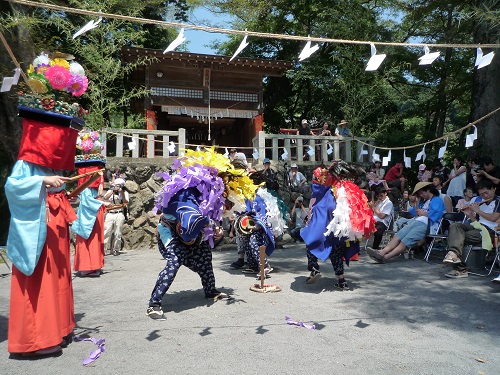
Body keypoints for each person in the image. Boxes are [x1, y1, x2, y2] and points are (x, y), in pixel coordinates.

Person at [5, 107, 81, 356]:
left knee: (58, 280)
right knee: (41, 282)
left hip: (53, 230)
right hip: (37, 230)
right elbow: (12, 187)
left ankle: (59, 328)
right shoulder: (26, 162)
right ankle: (37, 340)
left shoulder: (48, 165)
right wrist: (41, 182)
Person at [367, 182, 445, 263]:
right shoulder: (423, 201)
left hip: (426, 224)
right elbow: (414, 213)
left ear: (428, 190)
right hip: (416, 221)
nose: (421, 195)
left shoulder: (437, 200)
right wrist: (418, 202)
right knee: (398, 235)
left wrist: (424, 213)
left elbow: (437, 215)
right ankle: (382, 252)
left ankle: (385, 257)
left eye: (422, 192)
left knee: (405, 241)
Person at [442, 179, 500, 278]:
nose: (485, 196)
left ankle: (460, 268)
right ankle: (453, 254)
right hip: (477, 227)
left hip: (489, 232)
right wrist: (470, 214)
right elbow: (476, 222)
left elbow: (493, 218)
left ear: (493, 190)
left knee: (457, 237)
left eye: (486, 192)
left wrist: (477, 210)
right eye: (482, 194)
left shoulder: (498, 201)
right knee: (454, 226)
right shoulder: (480, 203)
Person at [72, 154, 106, 277]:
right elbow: (87, 200)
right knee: (90, 238)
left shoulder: (91, 188)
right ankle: (87, 266)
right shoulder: (87, 188)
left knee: (95, 239)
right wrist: (100, 201)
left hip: (94, 209)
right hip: (90, 210)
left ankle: (94, 265)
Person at [103, 177, 129, 256]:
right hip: (110, 213)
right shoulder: (110, 191)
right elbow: (105, 198)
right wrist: (113, 191)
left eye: (119, 186)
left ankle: (116, 249)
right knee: (106, 232)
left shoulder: (124, 192)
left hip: (119, 213)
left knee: (118, 232)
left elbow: (126, 202)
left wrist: (121, 193)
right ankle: (103, 250)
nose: (117, 187)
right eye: (116, 186)